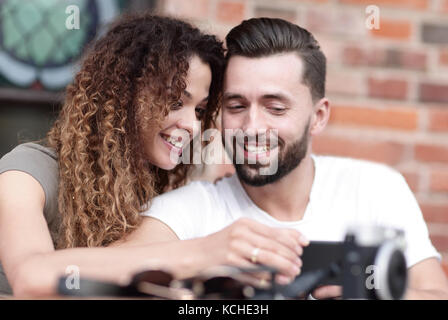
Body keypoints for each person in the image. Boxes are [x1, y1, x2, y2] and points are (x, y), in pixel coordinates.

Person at [132, 17, 448, 299]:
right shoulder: (189, 212)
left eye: (276, 108)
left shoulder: (376, 188)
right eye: (237, 106)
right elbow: (91, 282)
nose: (252, 127)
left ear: (318, 116)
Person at [0, 13, 228, 296]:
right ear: (123, 95)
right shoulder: (24, 174)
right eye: (174, 101)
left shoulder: (155, 192)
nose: (192, 126)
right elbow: (30, 278)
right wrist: (194, 254)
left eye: (200, 110)